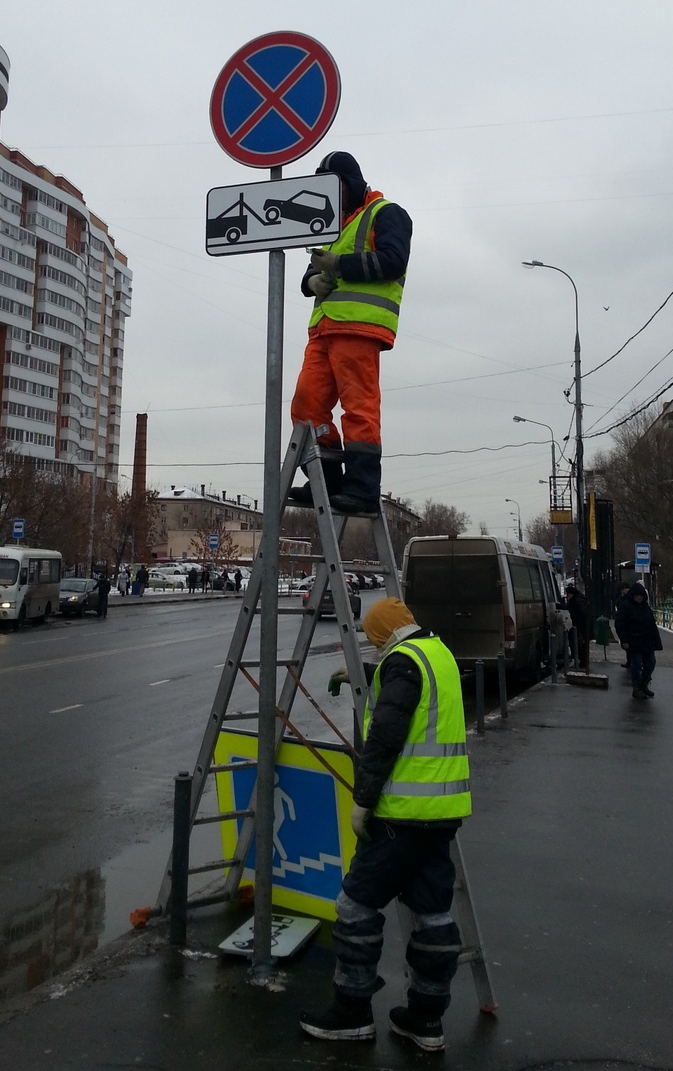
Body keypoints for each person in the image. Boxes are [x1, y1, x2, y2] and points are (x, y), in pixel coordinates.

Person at [300, 598, 469, 1053]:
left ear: (381, 636)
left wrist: (363, 801)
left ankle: (351, 1012)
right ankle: (426, 1020)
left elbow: (386, 737)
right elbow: (417, 699)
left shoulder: (404, 662)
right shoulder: (437, 652)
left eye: (373, 640)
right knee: (432, 913)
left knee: (356, 906)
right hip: (442, 812)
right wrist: (368, 676)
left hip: (401, 815)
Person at [287, 151, 412, 515]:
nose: (328, 195)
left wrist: (337, 265)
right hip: (323, 330)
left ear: (351, 183)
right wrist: (312, 281)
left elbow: (392, 261)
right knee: (307, 404)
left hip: (359, 328)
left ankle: (362, 488)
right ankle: (326, 481)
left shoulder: (386, 213)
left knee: (359, 408)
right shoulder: (333, 222)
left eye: (333, 187)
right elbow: (313, 273)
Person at [615, 582, 663, 699]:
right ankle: (637, 688)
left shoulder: (646, 608)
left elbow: (652, 625)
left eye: (641, 596)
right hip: (634, 642)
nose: (639, 598)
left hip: (647, 642)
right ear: (633, 596)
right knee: (636, 665)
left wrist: (656, 641)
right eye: (637, 595)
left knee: (651, 663)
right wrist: (624, 640)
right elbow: (619, 625)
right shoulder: (626, 607)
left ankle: (644, 684)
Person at [564, 583, 589, 670]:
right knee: (577, 640)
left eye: (568, 594)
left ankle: (581, 660)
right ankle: (579, 658)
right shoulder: (577, 599)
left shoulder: (577, 600)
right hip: (580, 625)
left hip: (580, 626)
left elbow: (582, 613)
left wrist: (577, 625)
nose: (567, 596)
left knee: (578, 642)